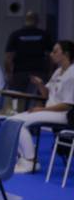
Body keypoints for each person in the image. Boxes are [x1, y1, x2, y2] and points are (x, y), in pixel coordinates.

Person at [12, 40, 74, 172]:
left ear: (66, 54)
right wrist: (40, 84)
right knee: (11, 120)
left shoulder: (72, 74)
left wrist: (42, 109)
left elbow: (68, 105)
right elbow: (47, 93)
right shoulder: (58, 71)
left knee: (19, 123)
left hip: (62, 114)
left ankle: (30, 161)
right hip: (50, 111)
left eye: (55, 51)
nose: (51, 54)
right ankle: (24, 157)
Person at [5, 11, 55, 92]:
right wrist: (51, 72)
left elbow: (8, 57)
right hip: (39, 72)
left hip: (20, 73)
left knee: (19, 99)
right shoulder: (44, 35)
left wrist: (9, 74)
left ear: (25, 20)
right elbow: (51, 56)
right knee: (39, 98)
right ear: (37, 21)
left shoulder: (16, 34)